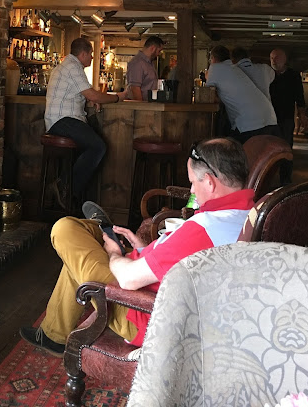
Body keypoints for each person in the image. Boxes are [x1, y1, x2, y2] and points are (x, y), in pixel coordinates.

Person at [20, 138, 254, 355]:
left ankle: (103, 230)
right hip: (158, 292)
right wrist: (143, 249)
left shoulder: (203, 230)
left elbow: (128, 280)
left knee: (65, 229)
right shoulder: (247, 215)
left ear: (210, 182)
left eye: (193, 182)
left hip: (140, 312)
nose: (191, 190)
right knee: (81, 249)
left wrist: (115, 255)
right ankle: (53, 335)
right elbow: (177, 258)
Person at [44, 37, 127, 205]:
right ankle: (65, 188)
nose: (92, 57)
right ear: (83, 54)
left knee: (92, 146)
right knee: (98, 146)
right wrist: (118, 97)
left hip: (60, 121)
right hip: (63, 121)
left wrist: (91, 99)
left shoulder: (67, 66)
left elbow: (83, 93)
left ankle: (69, 194)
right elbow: (93, 94)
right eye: (91, 54)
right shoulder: (72, 67)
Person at [206, 45, 280, 144]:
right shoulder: (233, 68)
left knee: (235, 150)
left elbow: (207, 95)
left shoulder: (215, 68)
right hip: (269, 118)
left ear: (213, 58)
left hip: (250, 123)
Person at [269, 48, 308, 184]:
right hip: (268, 118)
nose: (274, 61)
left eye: (277, 57)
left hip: (286, 117)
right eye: (272, 58)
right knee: (269, 148)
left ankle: (285, 180)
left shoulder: (293, 75)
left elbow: (300, 98)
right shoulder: (267, 74)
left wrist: (302, 116)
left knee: (286, 147)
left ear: (284, 59)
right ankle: (267, 178)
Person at [126, 36, 164, 101]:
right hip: (142, 105)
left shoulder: (149, 63)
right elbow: (135, 88)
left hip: (148, 104)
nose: (159, 54)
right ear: (152, 48)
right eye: (159, 51)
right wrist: (141, 105)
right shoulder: (138, 63)